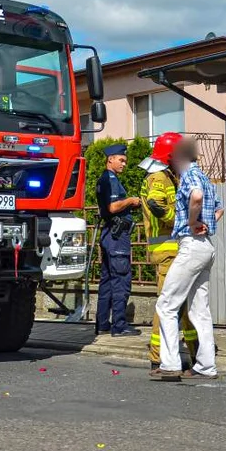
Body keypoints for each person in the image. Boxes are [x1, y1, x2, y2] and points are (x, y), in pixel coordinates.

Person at [153, 139, 222, 381]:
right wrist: (205, 222)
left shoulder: (190, 176)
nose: (170, 167)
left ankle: (170, 364)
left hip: (191, 245)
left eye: (170, 162)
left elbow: (196, 196)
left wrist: (193, 223)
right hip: (206, 248)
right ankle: (206, 366)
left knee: (166, 305)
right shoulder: (205, 176)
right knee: (199, 309)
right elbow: (219, 209)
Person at [139, 132, 199, 377]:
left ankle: (196, 353)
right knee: (169, 304)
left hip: (176, 249)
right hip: (167, 250)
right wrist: (182, 222)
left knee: (184, 304)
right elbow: (156, 205)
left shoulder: (171, 175)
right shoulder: (158, 177)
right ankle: (159, 358)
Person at [94, 143, 142, 337]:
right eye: (121, 160)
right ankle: (119, 326)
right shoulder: (111, 179)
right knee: (121, 280)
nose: (124, 164)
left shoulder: (103, 179)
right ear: (110, 159)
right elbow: (113, 207)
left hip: (109, 234)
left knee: (106, 281)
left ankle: (103, 323)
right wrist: (131, 201)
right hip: (117, 236)